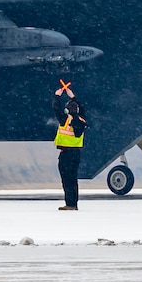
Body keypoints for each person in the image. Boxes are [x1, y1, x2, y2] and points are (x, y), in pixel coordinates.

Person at [52, 80, 87, 211]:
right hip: (76, 153)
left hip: (66, 154)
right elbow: (82, 108)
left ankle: (69, 203)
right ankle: (74, 203)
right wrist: (73, 97)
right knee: (73, 179)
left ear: (67, 110)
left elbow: (56, 108)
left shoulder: (65, 120)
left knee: (66, 179)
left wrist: (57, 95)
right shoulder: (82, 120)